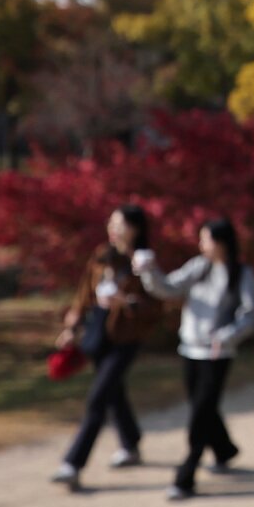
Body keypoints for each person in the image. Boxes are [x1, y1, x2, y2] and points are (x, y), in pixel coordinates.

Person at [134, 218, 254, 500]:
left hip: (217, 353)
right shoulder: (198, 267)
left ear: (222, 243)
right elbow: (167, 288)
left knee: (201, 412)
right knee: (203, 406)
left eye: (206, 239)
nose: (201, 245)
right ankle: (225, 449)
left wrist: (226, 336)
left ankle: (186, 475)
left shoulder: (241, 274)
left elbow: (249, 316)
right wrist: (149, 270)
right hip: (190, 350)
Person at [50, 204, 163, 491]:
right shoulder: (102, 255)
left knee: (98, 398)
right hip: (98, 334)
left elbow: (156, 306)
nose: (112, 228)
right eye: (111, 223)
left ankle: (72, 464)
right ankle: (131, 443)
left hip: (126, 338)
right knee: (114, 393)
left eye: (119, 223)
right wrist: (71, 327)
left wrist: (125, 302)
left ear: (135, 228)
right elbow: (83, 295)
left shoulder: (143, 262)